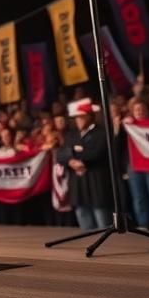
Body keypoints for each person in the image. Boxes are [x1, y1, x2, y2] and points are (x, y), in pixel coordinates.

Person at [57, 98, 112, 230]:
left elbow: (97, 153)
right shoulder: (72, 135)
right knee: (82, 214)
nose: (78, 120)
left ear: (90, 117)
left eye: (82, 117)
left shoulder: (101, 133)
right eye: (77, 118)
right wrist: (71, 159)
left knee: (101, 217)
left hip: (96, 181)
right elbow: (60, 155)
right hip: (78, 184)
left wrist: (73, 153)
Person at [123, 97, 149, 231]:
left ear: (148, 111)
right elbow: (118, 146)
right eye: (136, 109)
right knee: (139, 196)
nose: (140, 111)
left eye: (142, 109)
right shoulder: (128, 125)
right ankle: (143, 224)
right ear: (132, 112)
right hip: (134, 165)